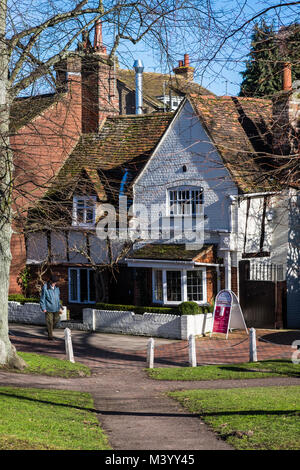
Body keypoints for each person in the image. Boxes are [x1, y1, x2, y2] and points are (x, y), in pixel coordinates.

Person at [40, 275, 62, 340]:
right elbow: (42, 298)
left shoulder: (57, 288)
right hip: (48, 308)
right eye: (54, 282)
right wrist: (43, 308)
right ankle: (50, 336)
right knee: (49, 322)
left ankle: (49, 329)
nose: (54, 284)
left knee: (57, 319)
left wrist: (60, 306)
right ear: (51, 281)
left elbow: (58, 298)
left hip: (56, 308)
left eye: (56, 282)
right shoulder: (45, 287)